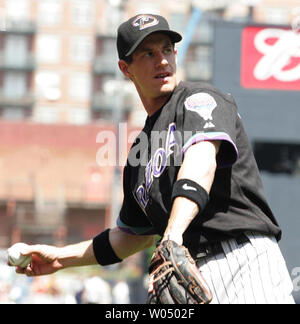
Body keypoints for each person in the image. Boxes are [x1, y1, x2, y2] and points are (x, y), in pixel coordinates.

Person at [8, 14, 294, 304]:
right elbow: (131, 235)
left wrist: (172, 235)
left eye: (167, 49)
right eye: (148, 53)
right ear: (125, 68)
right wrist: (60, 258)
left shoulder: (199, 99)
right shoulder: (138, 157)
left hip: (240, 258)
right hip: (191, 269)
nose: (162, 60)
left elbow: (201, 159)